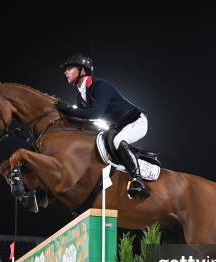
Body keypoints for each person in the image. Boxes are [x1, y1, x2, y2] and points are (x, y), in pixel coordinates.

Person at [56, 53, 150, 198]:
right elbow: (85, 121)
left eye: (69, 68)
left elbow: (95, 114)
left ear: (82, 70)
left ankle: (137, 180)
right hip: (119, 126)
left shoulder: (100, 85)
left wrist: (68, 110)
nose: (65, 72)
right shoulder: (80, 97)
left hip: (136, 121)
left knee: (118, 141)